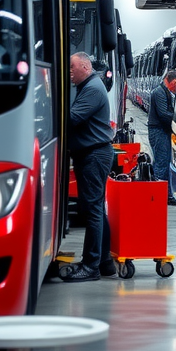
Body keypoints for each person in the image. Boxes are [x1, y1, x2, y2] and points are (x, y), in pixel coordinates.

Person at [63, 51, 116, 281]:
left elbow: (72, 119)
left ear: (85, 66)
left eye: (73, 68)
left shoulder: (93, 89)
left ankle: (91, 266)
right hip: (93, 154)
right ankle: (104, 262)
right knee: (95, 210)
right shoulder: (90, 86)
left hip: (94, 155)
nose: (70, 73)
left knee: (93, 211)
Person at [148, 67, 176, 206]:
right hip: (158, 132)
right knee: (161, 164)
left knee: (166, 163)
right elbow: (163, 114)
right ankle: (157, 197)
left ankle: (167, 196)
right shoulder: (159, 93)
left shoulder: (165, 92)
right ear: (172, 81)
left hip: (163, 132)